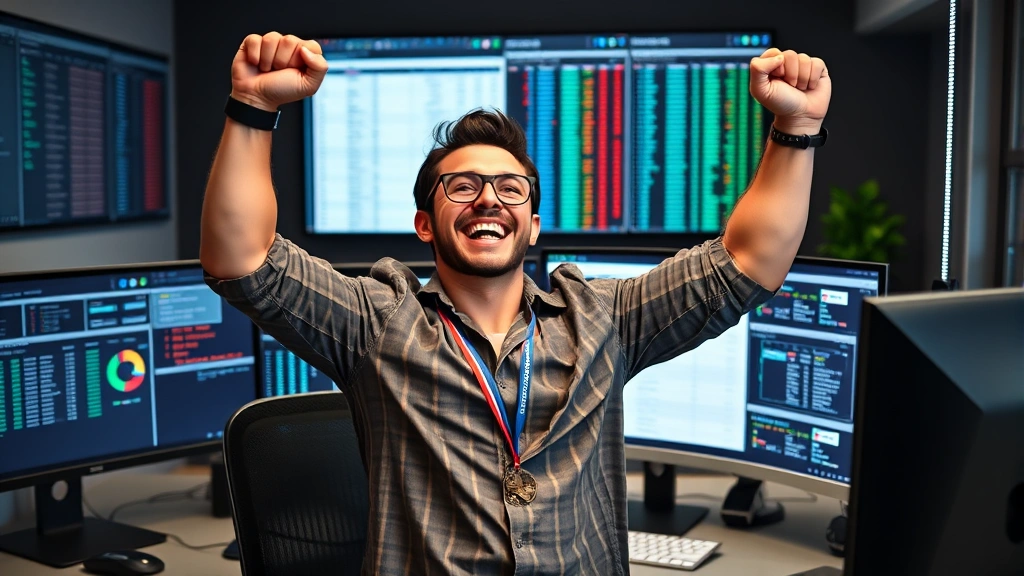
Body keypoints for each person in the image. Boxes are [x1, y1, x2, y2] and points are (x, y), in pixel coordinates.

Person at [201, 31, 831, 575]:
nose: (488, 200)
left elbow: (750, 261)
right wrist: (253, 107)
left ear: (531, 225)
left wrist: (796, 128)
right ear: (425, 223)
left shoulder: (602, 320)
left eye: (511, 188)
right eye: (462, 186)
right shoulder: (376, 325)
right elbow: (241, 258)